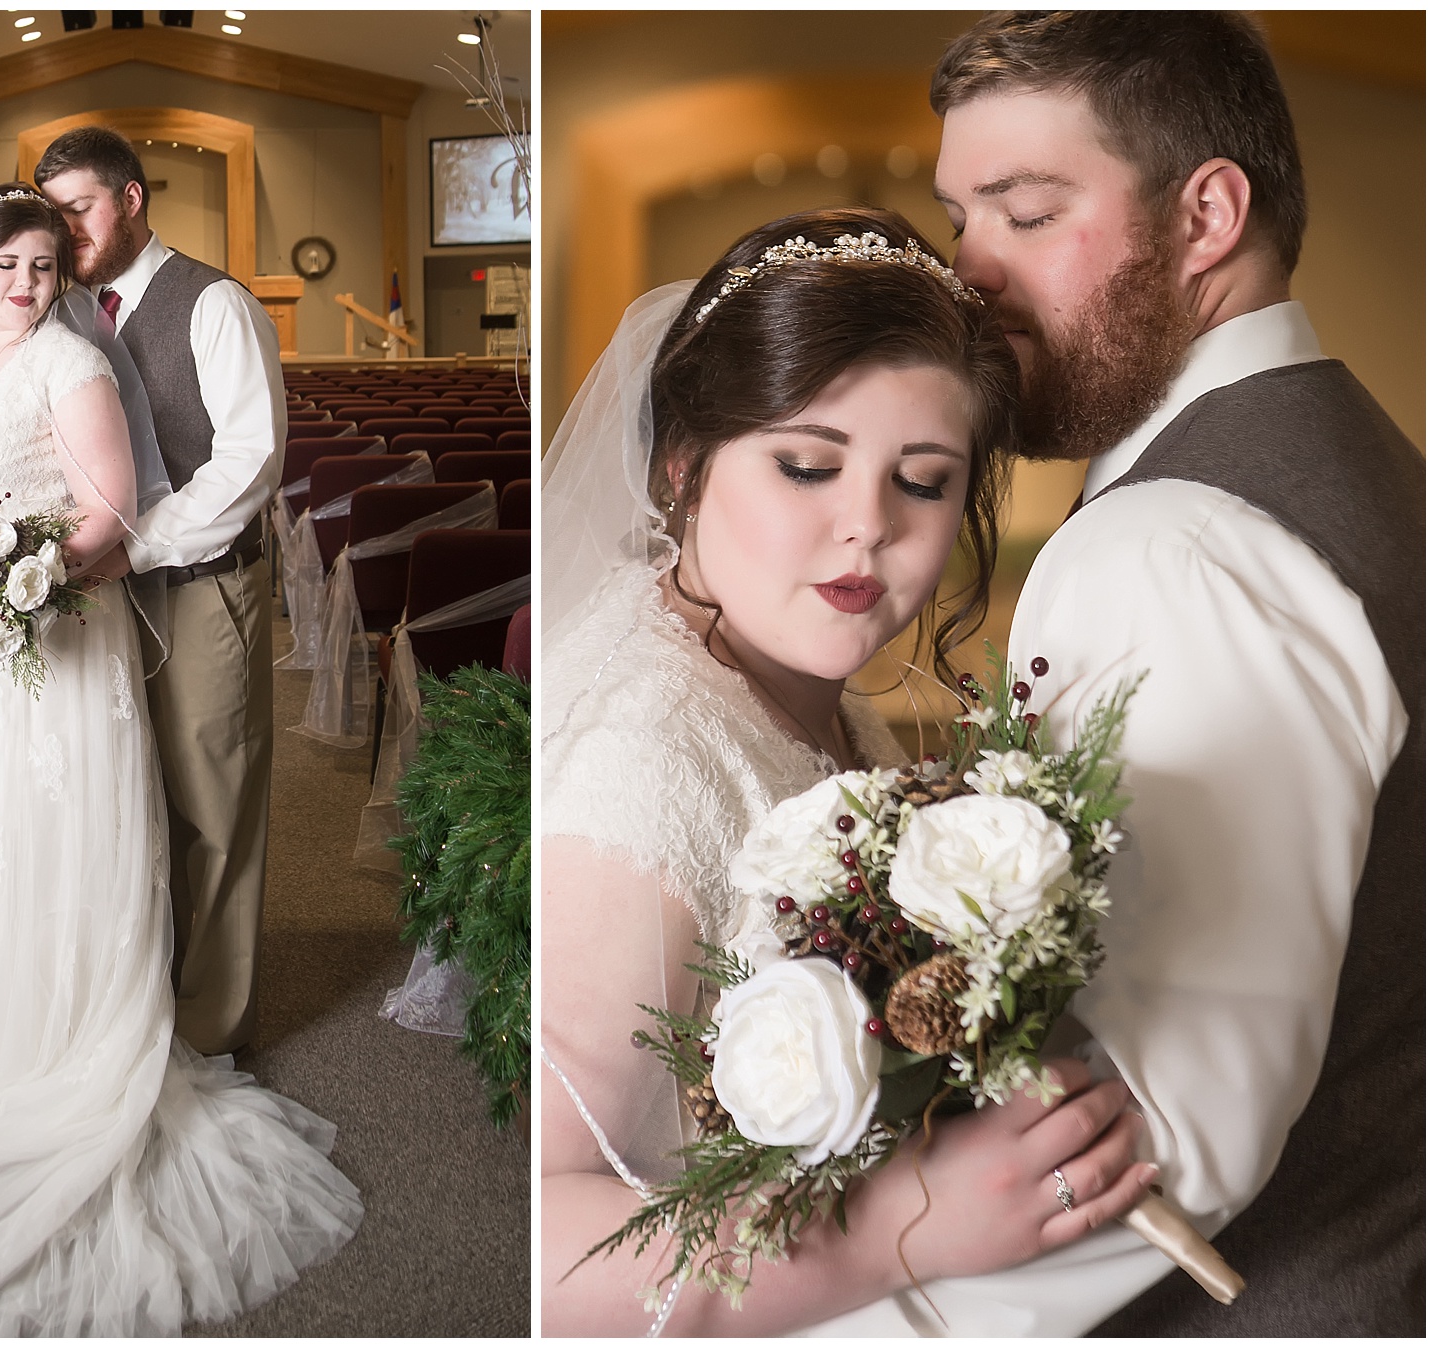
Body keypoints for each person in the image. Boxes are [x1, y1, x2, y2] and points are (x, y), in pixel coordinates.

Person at [540, 205, 1158, 1337]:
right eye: (807, 465)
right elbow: (537, 1237)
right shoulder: (638, 763)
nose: (865, 526)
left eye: (921, 482)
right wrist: (901, 1224)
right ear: (682, 463)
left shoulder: (821, 707)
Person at [912, 11, 1420, 1335]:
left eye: (1025, 213)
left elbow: (1160, 1137)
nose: (968, 273)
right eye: (959, 217)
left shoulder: (1175, 546)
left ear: (1206, 216)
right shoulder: (1360, 453)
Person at [0, 184, 361, 1335]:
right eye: (8, 262)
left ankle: (71, 1046)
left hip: (50, 624)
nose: (26, 284)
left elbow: (109, 508)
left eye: (46, 266)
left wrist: (16, 579)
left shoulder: (71, 361)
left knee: (51, 832)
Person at [35, 127, 280, 1058]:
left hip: (199, 586)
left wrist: (137, 549)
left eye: (79, 211)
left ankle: (211, 1028)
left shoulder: (213, 303)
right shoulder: (56, 310)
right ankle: (133, 1004)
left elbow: (249, 463)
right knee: (115, 798)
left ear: (132, 199)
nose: (65, 233)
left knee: (212, 805)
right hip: (89, 600)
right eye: (51, 214)